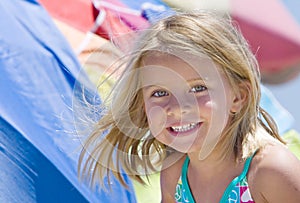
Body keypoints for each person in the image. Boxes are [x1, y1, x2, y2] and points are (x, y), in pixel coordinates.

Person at [78, 10, 300, 202]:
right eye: (160, 93)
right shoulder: (175, 175)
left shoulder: (270, 172)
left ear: (238, 97)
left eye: (197, 88)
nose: (178, 107)